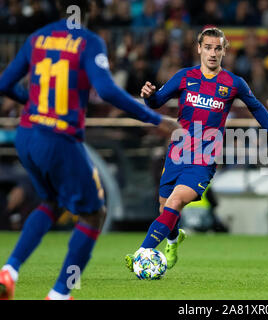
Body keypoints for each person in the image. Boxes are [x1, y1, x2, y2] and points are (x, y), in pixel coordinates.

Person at [0, 0, 178, 300]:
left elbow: (4, 83)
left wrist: (29, 102)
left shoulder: (37, 37)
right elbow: (107, 90)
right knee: (95, 213)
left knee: (50, 202)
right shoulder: (88, 41)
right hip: (59, 138)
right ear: (90, 9)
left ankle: (9, 271)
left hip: (27, 135)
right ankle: (59, 294)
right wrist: (156, 120)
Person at [125, 27, 268, 272]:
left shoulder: (233, 83)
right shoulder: (184, 76)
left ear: (224, 50)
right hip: (178, 152)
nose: (212, 53)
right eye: (208, 47)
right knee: (165, 209)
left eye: (218, 48)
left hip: (204, 158)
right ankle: (173, 240)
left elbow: (257, 108)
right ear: (199, 49)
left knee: (174, 203)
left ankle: (143, 253)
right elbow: (157, 101)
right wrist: (149, 96)